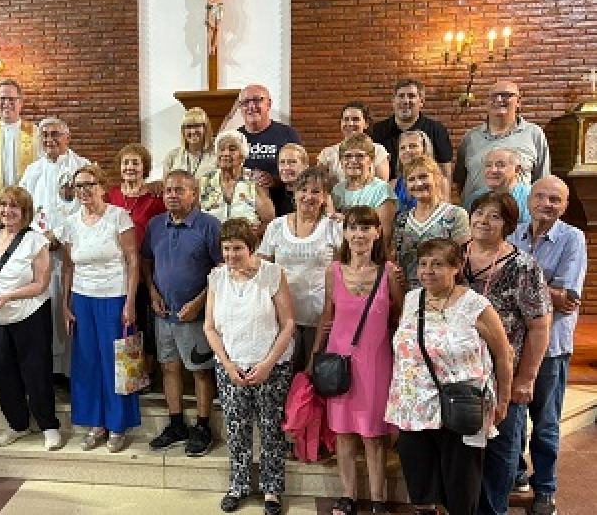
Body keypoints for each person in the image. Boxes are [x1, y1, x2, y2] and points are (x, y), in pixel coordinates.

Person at [386, 238, 513, 515]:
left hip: (460, 406)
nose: (428, 271)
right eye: (423, 264)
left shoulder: (475, 305)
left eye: (438, 264)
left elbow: (504, 354)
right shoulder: (412, 299)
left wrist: (504, 401)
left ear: (456, 267)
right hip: (414, 408)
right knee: (420, 488)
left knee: (460, 490)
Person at [307, 206, 403, 515]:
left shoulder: (389, 272)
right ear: (345, 233)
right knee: (344, 433)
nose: (359, 234)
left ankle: (378, 500)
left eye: (365, 228)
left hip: (376, 363)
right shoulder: (334, 271)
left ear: (377, 232)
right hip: (340, 363)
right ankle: (348, 496)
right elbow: (327, 316)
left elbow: (399, 317)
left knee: (374, 436)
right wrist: (314, 356)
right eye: (353, 228)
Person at [463, 191, 552, 515]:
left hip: (502, 376)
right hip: (457, 376)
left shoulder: (522, 266)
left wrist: (525, 379)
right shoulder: (454, 257)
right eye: (479, 213)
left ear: (509, 225)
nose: (484, 221)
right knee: (461, 455)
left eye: (495, 216)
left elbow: (540, 326)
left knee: (499, 453)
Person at [204, 217, 295, 515]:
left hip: (271, 367)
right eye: (226, 249)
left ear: (251, 247)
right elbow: (209, 327)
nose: (231, 255)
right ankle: (238, 485)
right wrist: (228, 365)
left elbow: (288, 323)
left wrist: (268, 364)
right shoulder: (216, 278)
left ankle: (271, 490)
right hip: (231, 366)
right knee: (236, 428)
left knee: (271, 430)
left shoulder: (272, 274)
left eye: (237, 248)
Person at [508, 176, 587, 515]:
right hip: (513, 344)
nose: (547, 204)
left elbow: (567, 297)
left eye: (555, 199)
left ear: (565, 206)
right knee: (511, 419)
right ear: (529, 201)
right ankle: (517, 476)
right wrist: (545, 289)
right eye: (540, 196)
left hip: (551, 346)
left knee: (546, 422)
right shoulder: (512, 235)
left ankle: (545, 489)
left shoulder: (573, 238)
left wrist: (521, 283)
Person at [0, 186, 62, 450]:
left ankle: (48, 425)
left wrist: (8, 296)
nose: (7, 211)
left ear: (25, 211)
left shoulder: (36, 241)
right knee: (3, 373)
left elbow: (41, 284)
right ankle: (17, 424)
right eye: (3, 205)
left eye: (14, 206)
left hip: (29, 314)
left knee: (36, 371)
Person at [142, 170, 222, 458]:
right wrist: (152, 292)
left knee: (200, 371)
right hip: (164, 313)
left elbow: (222, 270)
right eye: (168, 190)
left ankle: (203, 426)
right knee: (169, 368)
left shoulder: (209, 225)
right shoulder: (155, 225)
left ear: (194, 194)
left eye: (179, 190)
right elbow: (146, 260)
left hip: (196, 316)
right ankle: (176, 424)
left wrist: (200, 303)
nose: (172, 195)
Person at [60, 164, 140, 452]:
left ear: (102, 187)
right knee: (88, 364)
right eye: (78, 186)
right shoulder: (71, 222)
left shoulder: (119, 217)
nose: (84, 191)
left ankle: (118, 425)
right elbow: (68, 267)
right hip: (82, 298)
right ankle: (96, 424)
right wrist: (65, 305)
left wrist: (130, 302)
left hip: (114, 297)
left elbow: (133, 260)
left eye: (89, 184)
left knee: (116, 363)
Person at [19, 117, 90, 376]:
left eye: (55, 134)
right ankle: (48, 369)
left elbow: (85, 206)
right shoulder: (32, 171)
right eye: (45, 135)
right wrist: (39, 238)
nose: (50, 140)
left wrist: (58, 234)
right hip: (41, 252)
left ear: (67, 137)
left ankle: (71, 370)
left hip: (71, 251)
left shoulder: (81, 167)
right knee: (45, 308)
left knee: (68, 306)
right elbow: (24, 208)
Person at [258, 167, 342, 370]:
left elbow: (342, 272)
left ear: (325, 197)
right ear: (294, 193)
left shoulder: (334, 227)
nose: (308, 196)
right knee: (285, 373)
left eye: (316, 191)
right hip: (282, 316)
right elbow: (261, 264)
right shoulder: (276, 226)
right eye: (303, 190)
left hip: (319, 318)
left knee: (313, 374)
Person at [107, 144, 166, 384]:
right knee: (121, 322)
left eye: (135, 163)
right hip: (115, 270)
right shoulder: (111, 196)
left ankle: (145, 374)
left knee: (144, 323)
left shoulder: (155, 198)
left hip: (144, 268)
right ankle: (125, 372)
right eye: (126, 163)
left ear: (145, 167)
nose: (130, 167)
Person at [454, 80, 551, 208]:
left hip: (520, 215)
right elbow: (460, 180)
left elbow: (542, 180)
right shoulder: (471, 137)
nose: (499, 100)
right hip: (475, 212)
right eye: (493, 96)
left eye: (506, 95)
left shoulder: (534, 134)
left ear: (518, 102)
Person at [393, 155, 471, 292]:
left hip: (446, 293)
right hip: (410, 295)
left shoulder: (456, 215)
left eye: (423, 177)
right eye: (411, 179)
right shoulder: (401, 219)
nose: (418, 183)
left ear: (437, 178)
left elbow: (462, 262)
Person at [369, 78, 453, 197]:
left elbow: (445, 171)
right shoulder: (376, 132)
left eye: (411, 96)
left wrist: (445, 198)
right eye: (401, 96)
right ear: (393, 101)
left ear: (421, 101)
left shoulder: (437, 130)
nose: (405, 101)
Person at [331, 133, 398, 249]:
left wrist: (347, 221)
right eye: (347, 156)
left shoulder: (382, 190)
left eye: (360, 156)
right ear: (341, 161)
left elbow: (385, 236)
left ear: (371, 160)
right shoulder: (337, 190)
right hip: (342, 251)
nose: (353, 161)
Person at [199, 129, 275, 229]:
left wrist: (253, 235)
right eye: (221, 149)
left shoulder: (255, 181)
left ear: (243, 156)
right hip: (211, 238)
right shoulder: (204, 181)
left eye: (232, 149)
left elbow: (269, 220)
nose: (226, 153)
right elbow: (194, 219)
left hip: (247, 238)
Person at [236, 84, 302, 191]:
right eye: (245, 102)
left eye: (257, 100)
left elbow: (300, 171)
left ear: (269, 104)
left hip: (280, 198)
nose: (251, 106)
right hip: (242, 198)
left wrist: (274, 181)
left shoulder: (287, 134)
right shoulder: (235, 138)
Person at [317, 102, 390, 183]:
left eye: (355, 119)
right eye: (346, 119)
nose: (350, 124)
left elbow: (382, 186)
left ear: (366, 124)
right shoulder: (327, 153)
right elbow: (320, 185)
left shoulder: (378, 150)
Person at [463, 147, 531, 223]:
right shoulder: (474, 198)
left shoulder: (531, 198)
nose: (493, 170)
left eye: (500, 165)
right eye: (488, 165)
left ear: (517, 169)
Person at [162, 106, 217, 180]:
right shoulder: (172, 156)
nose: (193, 131)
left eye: (197, 126)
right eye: (188, 126)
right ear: (183, 130)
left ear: (205, 128)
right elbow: (165, 184)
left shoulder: (217, 154)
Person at [390, 130, 434, 214]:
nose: (407, 151)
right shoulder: (392, 185)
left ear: (424, 149)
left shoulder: (439, 181)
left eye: (413, 146)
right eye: (402, 148)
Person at [269, 143, 310, 216]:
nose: (286, 167)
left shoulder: (314, 195)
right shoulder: (272, 195)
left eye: (292, 162)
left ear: (305, 166)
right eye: (282, 162)